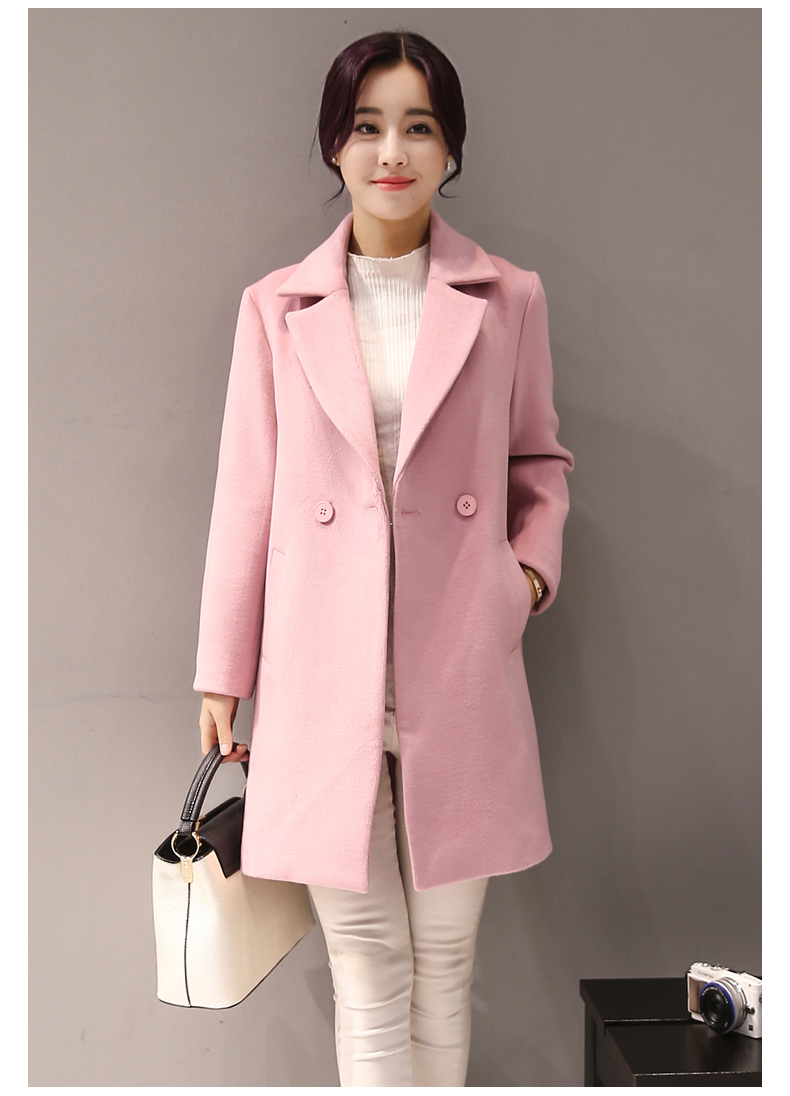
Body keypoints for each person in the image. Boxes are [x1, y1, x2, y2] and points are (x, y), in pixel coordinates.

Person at [193, 30, 573, 1087]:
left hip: (460, 659)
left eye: (418, 126)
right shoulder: (276, 307)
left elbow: (539, 460)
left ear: (451, 149)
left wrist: (522, 580)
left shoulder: (509, 298)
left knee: (446, 965)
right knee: (367, 962)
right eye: (366, 126)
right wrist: (223, 669)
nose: (391, 151)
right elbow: (246, 492)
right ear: (334, 144)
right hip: (322, 667)